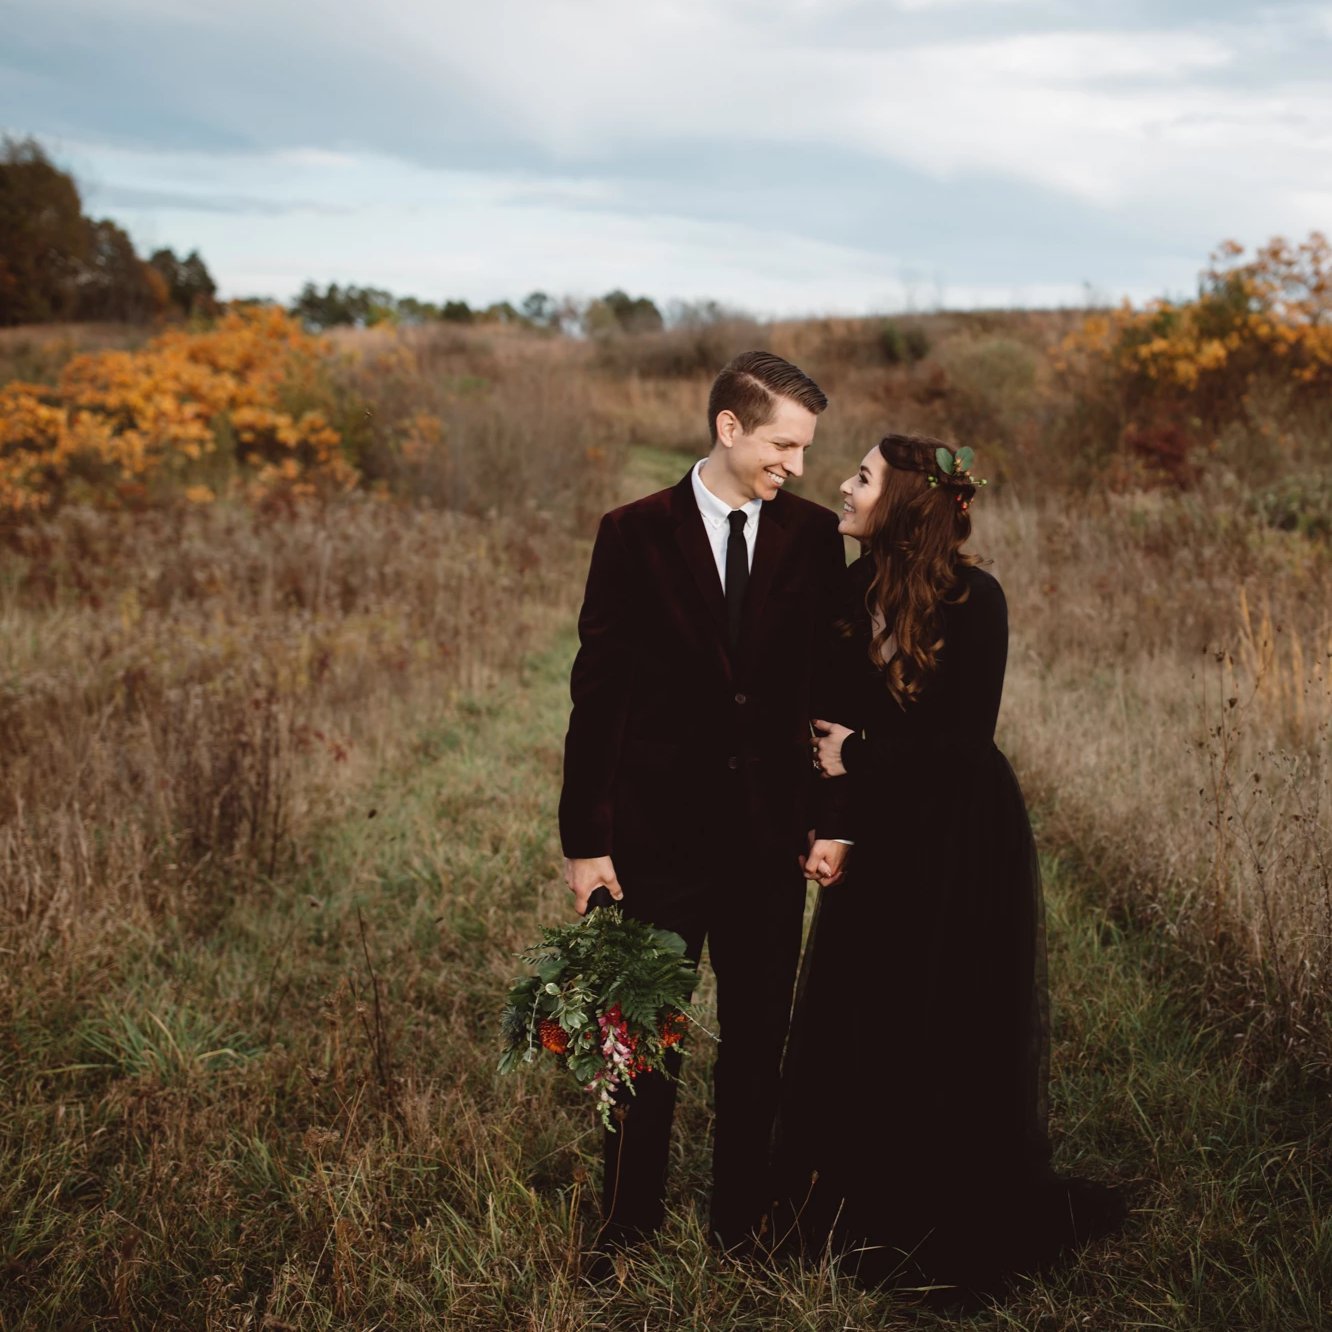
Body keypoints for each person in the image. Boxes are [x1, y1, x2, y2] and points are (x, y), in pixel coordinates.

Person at [772, 433, 1124, 1302]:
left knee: (947, 1006)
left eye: (861, 478)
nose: (844, 489)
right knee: (871, 1002)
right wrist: (837, 819)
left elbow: (964, 743)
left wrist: (864, 752)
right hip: (882, 837)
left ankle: (946, 1210)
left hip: (962, 835)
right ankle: (861, 1201)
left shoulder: (978, 601)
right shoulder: (848, 594)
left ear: (905, 506)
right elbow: (826, 730)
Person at [558, 351, 853, 1266]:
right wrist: (586, 842)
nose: (796, 466)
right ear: (729, 428)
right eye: (782, 444)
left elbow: (831, 686)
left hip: (772, 835)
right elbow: (598, 695)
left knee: (760, 1035)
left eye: (805, 449)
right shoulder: (632, 533)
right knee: (644, 1031)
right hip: (658, 837)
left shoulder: (811, 537)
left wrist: (835, 816)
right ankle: (626, 1220)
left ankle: (742, 1223)